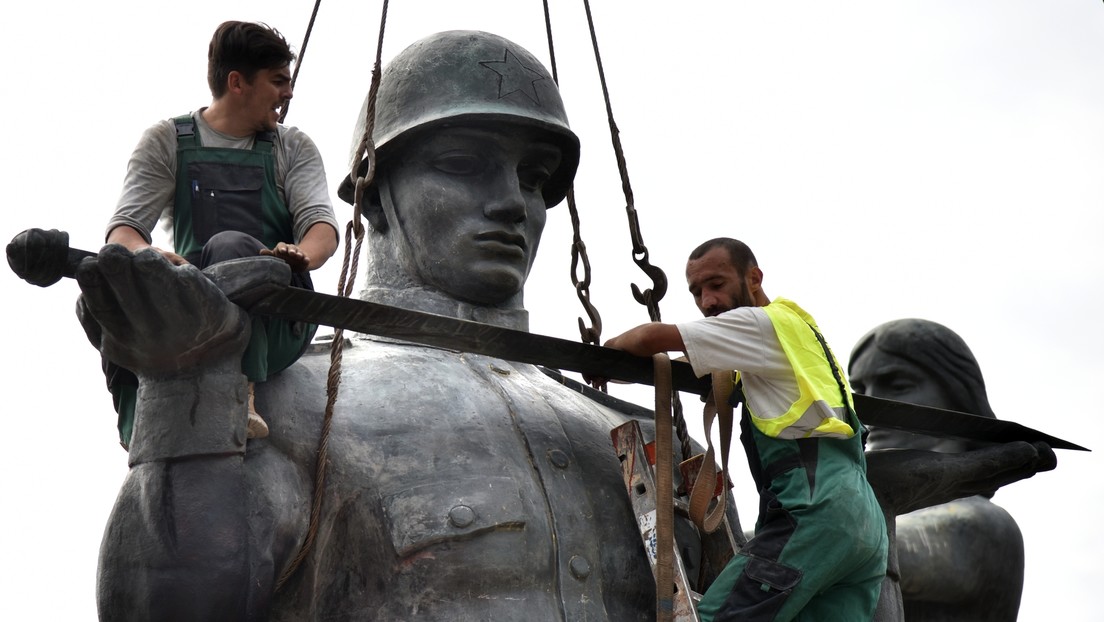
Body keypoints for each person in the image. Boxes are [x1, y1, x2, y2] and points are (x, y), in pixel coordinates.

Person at [78, 30, 738, 620]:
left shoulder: (650, 433)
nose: (511, 201)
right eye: (461, 165)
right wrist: (186, 394)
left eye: (534, 178)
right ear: (371, 195)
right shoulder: (279, 401)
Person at [596, 237, 888, 621]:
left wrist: (605, 352)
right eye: (697, 292)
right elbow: (691, 362)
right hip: (864, 526)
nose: (707, 302)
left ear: (754, 278)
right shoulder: (794, 331)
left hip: (814, 516)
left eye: (717, 285)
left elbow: (649, 338)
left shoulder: (758, 324)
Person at [101, 20, 339, 443]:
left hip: (277, 314)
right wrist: (149, 256)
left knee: (232, 245)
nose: (288, 93)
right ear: (237, 83)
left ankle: (239, 391)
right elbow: (124, 233)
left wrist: (300, 254)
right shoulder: (167, 140)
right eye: (278, 81)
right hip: (197, 306)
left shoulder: (292, 146)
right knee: (110, 293)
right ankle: (139, 427)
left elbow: (321, 226)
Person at [849, 319, 1030, 621]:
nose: (870, 405)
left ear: (956, 398)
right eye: (859, 389)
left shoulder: (981, 524)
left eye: (897, 385)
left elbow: (844, 547)